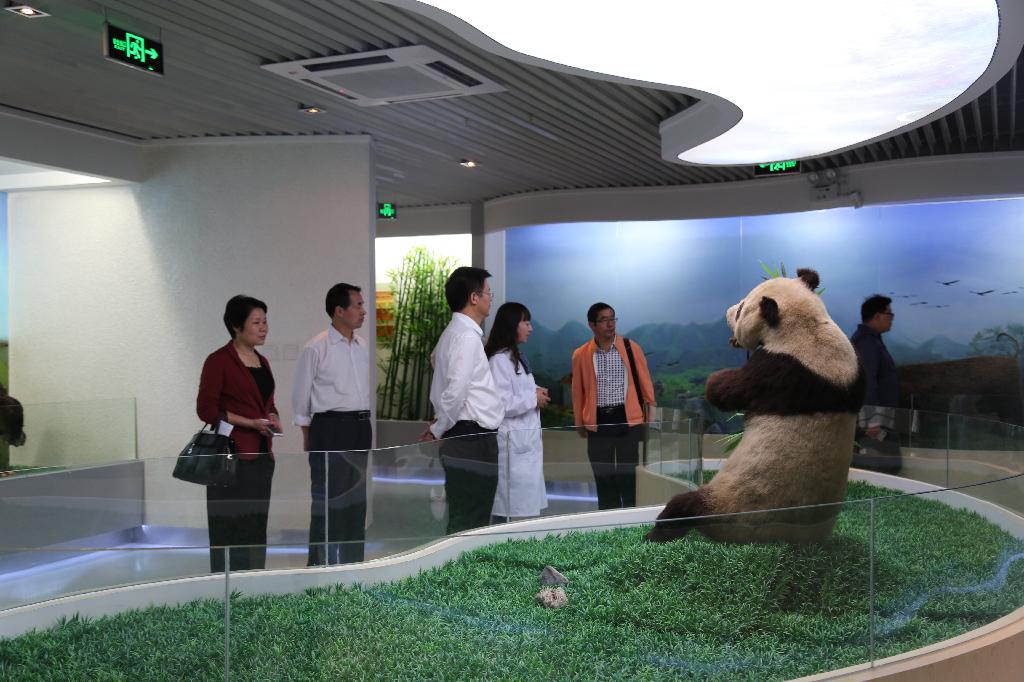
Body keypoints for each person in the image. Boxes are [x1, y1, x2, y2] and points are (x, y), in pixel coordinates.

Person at [197, 295, 282, 573]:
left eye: (265, 321)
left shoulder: (262, 361)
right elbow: (207, 410)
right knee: (228, 527)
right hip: (231, 458)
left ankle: (253, 584)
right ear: (236, 326)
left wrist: (273, 417)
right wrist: (249, 423)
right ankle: (226, 586)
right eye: (256, 322)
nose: (264, 328)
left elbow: (267, 403)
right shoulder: (218, 361)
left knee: (255, 525)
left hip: (262, 456)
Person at [292, 283, 371, 566]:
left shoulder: (363, 346)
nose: (363, 311)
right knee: (328, 501)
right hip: (330, 428)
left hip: (360, 427)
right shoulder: (317, 347)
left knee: (356, 500)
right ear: (339, 311)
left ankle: (353, 565)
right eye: (358, 305)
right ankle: (320, 566)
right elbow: (301, 399)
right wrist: (308, 436)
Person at [421, 266, 504, 534]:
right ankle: (463, 562)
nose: (490, 298)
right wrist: (438, 427)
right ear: (474, 298)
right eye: (488, 292)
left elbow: (436, 362)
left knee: (465, 515)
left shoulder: (452, 333)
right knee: (472, 519)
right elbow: (456, 389)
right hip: (471, 438)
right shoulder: (467, 336)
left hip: (464, 435)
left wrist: (440, 424)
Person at [571, 302, 656, 510]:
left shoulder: (631, 348)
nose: (610, 324)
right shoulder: (581, 354)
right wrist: (580, 423)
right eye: (604, 320)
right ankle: (608, 518)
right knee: (603, 477)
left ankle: (630, 518)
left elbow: (646, 387)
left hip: (628, 420)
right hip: (598, 422)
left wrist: (650, 421)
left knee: (629, 475)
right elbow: (578, 392)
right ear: (592, 325)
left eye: (612, 319)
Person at [484, 302, 550, 523]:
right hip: (513, 447)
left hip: (525, 444)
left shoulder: (516, 357)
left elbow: (518, 389)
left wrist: (536, 390)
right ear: (512, 325)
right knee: (510, 512)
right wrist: (533, 398)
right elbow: (501, 402)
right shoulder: (499, 360)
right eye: (526, 323)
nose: (530, 328)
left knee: (523, 511)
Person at [850, 294, 902, 473]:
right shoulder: (867, 342)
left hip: (880, 417)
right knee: (881, 467)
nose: (892, 318)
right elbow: (867, 381)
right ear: (877, 316)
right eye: (889, 314)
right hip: (875, 420)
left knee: (886, 465)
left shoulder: (872, 340)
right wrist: (873, 420)